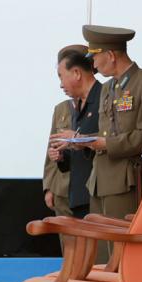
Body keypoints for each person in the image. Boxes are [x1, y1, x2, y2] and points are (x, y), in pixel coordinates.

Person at [80, 25, 142, 218]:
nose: (93, 64)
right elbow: (106, 133)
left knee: (120, 246)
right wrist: (83, 142)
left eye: (95, 57)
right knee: (101, 248)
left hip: (124, 179)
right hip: (98, 180)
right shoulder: (107, 87)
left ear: (110, 55)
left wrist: (106, 144)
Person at [49, 45, 101, 219]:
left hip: (95, 193)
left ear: (77, 73)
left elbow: (110, 141)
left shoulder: (103, 97)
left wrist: (77, 139)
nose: (61, 84)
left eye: (61, 77)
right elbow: (78, 153)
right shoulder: (75, 105)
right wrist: (62, 156)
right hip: (78, 194)